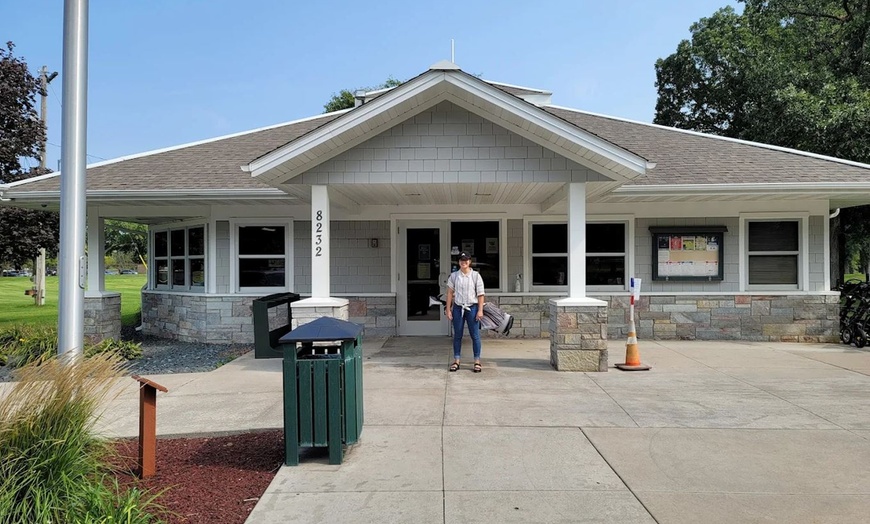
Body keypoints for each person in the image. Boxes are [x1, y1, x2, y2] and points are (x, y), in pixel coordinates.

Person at [445, 252, 485, 373]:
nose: (464, 262)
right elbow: (450, 293)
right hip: (458, 308)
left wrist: (480, 310)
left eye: (466, 260)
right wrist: (448, 309)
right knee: (457, 335)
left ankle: (477, 361)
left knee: (475, 335)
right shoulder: (454, 276)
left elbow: (480, 294)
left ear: (470, 261)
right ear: (459, 262)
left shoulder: (476, 276)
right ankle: (456, 360)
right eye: (462, 260)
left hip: (472, 308)